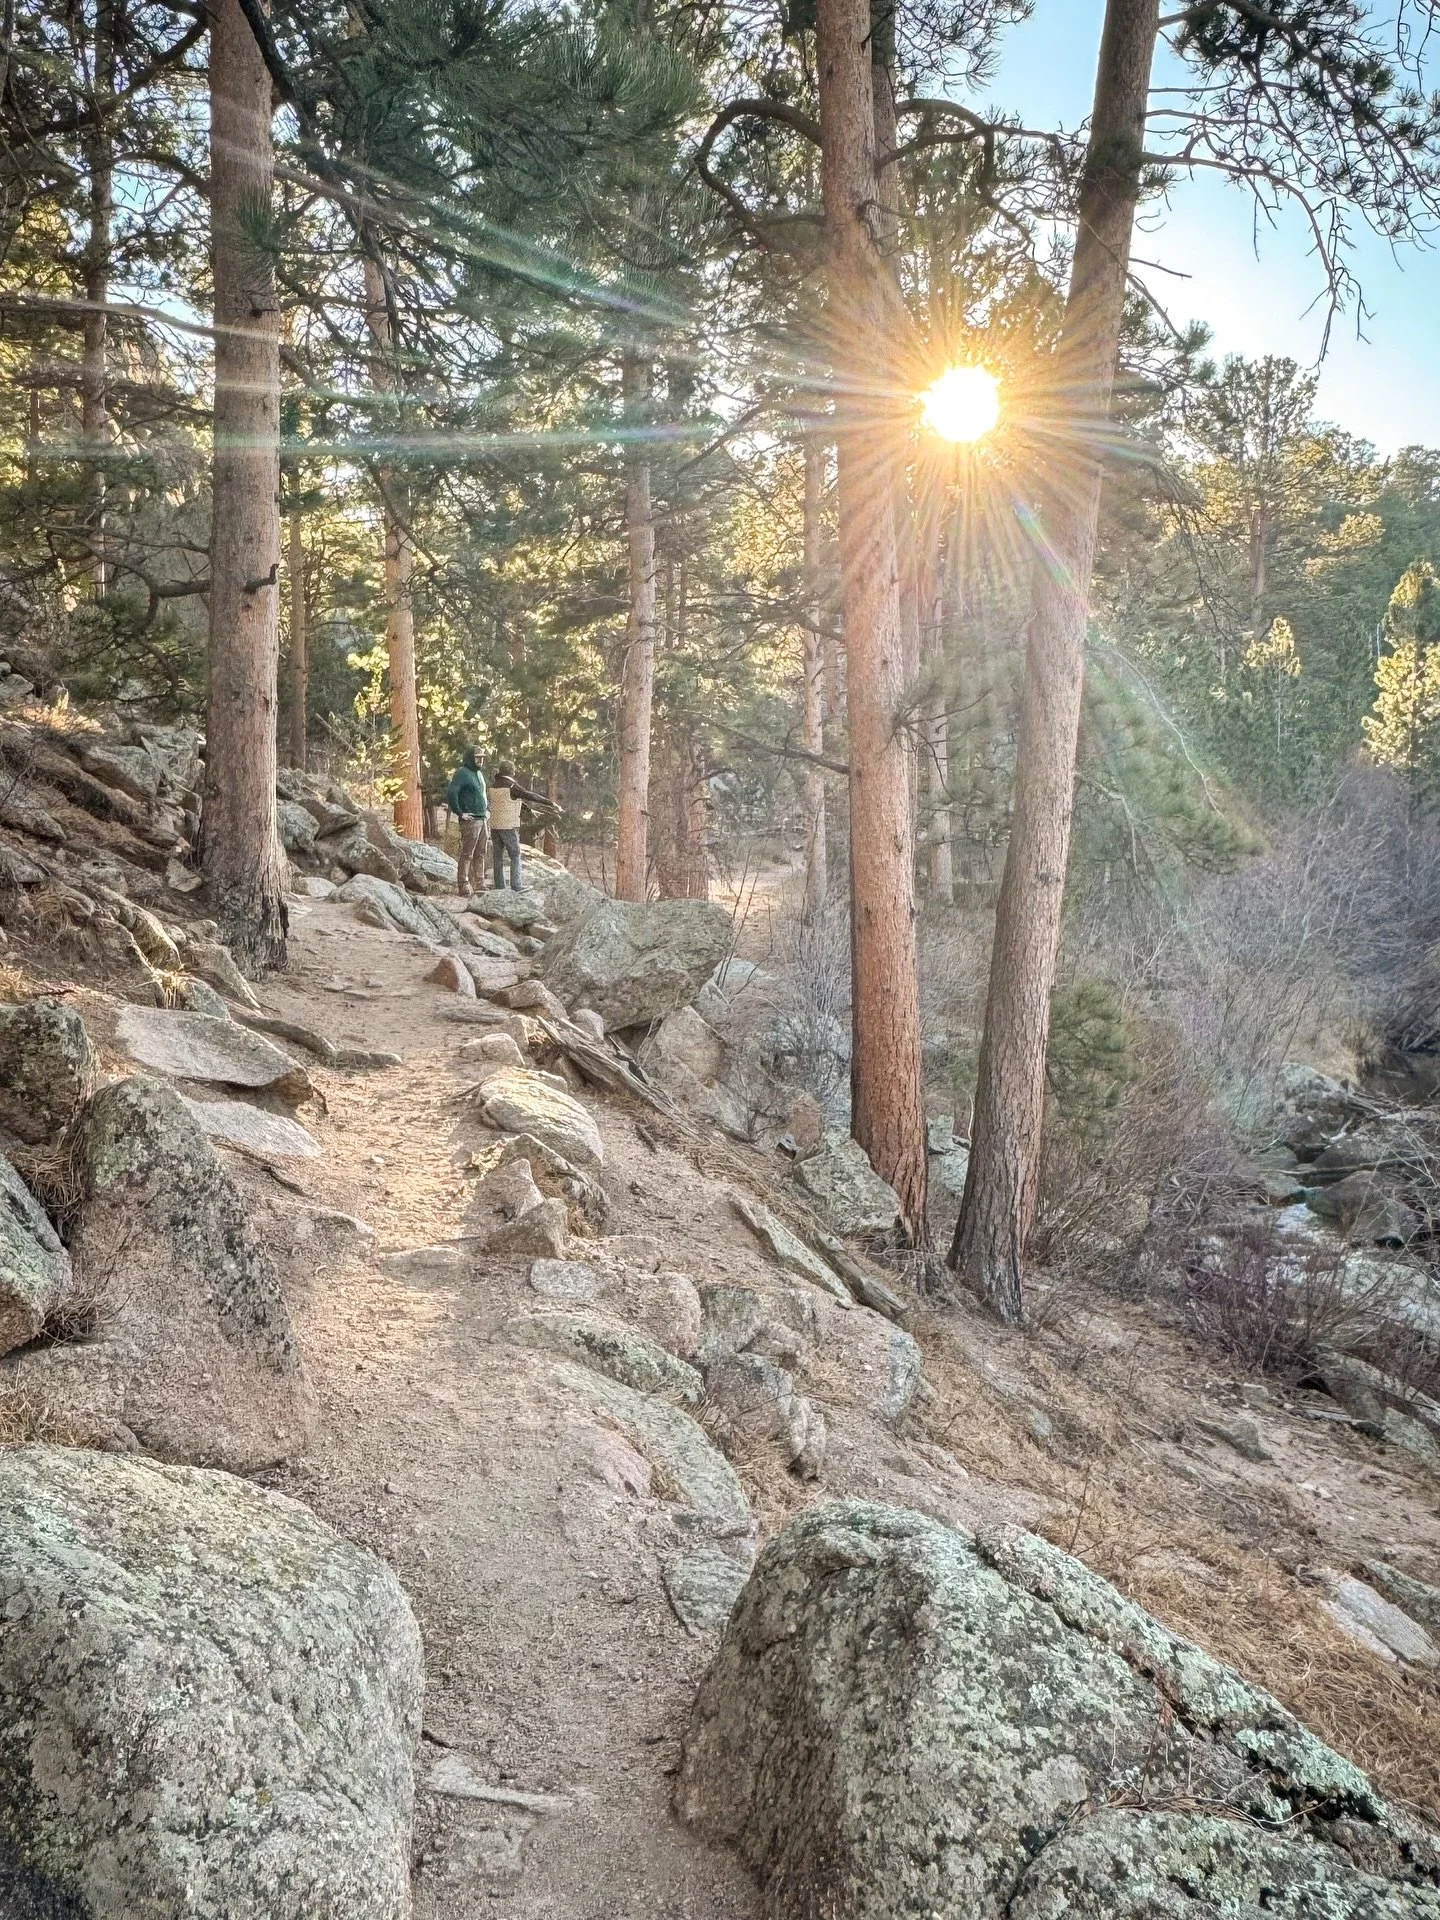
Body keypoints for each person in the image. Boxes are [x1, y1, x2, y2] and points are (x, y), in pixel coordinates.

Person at [488, 762, 555, 890]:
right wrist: (549, 802)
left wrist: (529, 811)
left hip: (495, 825)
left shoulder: (494, 785)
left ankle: (499, 886)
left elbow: (510, 801)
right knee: (515, 854)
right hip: (508, 825)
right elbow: (529, 795)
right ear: (511, 771)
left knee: (498, 856)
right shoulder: (512, 786)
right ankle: (516, 885)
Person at [445, 747, 488, 896]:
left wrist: (486, 810)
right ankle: (463, 884)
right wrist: (460, 812)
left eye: (482, 757)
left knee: (481, 852)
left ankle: (480, 883)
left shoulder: (478, 774)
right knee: (467, 853)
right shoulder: (462, 773)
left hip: (482, 818)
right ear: (470, 758)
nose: (480, 760)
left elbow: (481, 795)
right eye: (477, 757)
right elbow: (452, 792)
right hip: (470, 821)